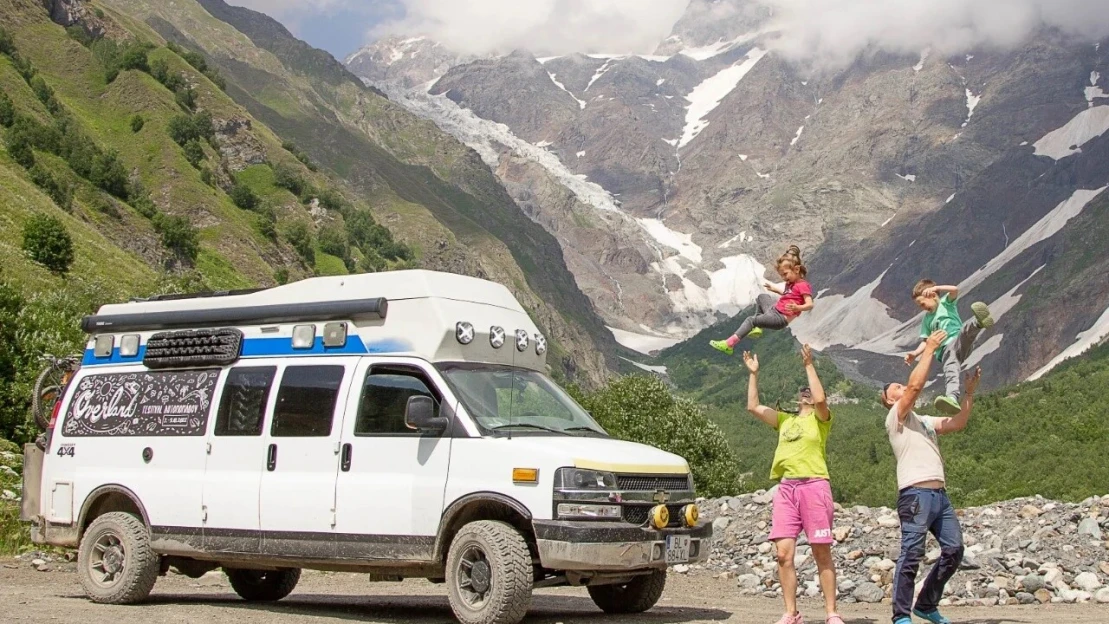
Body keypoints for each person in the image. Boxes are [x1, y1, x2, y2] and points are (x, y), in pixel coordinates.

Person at [881, 329, 983, 624]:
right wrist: (928, 350)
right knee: (911, 553)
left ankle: (926, 604)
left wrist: (969, 392)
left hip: (939, 496)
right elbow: (914, 387)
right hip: (915, 494)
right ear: (890, 401)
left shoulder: (924, 421)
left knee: (954, 549)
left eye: (900, 386)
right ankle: (901, 615)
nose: (902, 388)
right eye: (895, 388)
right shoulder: (896, 417)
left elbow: (958, 422)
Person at [744, 344, 843, 624]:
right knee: (783, 554)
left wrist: (809, 365)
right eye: (803, 391)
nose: (806, 392)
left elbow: (822, 399)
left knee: (820, 550)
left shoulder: (821, 420)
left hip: (814, 486)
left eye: (808, 391)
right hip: (787, 489)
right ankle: (791, 613)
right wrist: (754, 374)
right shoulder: (785, 420)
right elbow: (753, 406)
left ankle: (831, 613)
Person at [904, 279, 993, 415]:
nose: (922, 308)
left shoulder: (946, 303)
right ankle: (952, 398)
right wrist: (915, 354)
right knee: (951, 371)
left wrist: (937, 287)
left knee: (965, 332)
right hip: (945, 352)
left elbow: (955, 289)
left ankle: (979, 322)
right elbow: (926, 341)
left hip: (957, 341)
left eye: (922, 304)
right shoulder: (927, 319)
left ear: (933, 295)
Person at [711, 246, 814, 355]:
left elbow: (810, 304)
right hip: (774, 310)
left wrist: (798, 308)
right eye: (781, 275)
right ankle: (758, 328)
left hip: (779, 319)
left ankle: (729, 344)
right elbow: (789, 295)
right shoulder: (791, 283)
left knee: (751, 320)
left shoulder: (803, 285)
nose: (783, 278)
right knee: (761, 297)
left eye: (785, 274)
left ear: (796, 269)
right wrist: (776, 290)